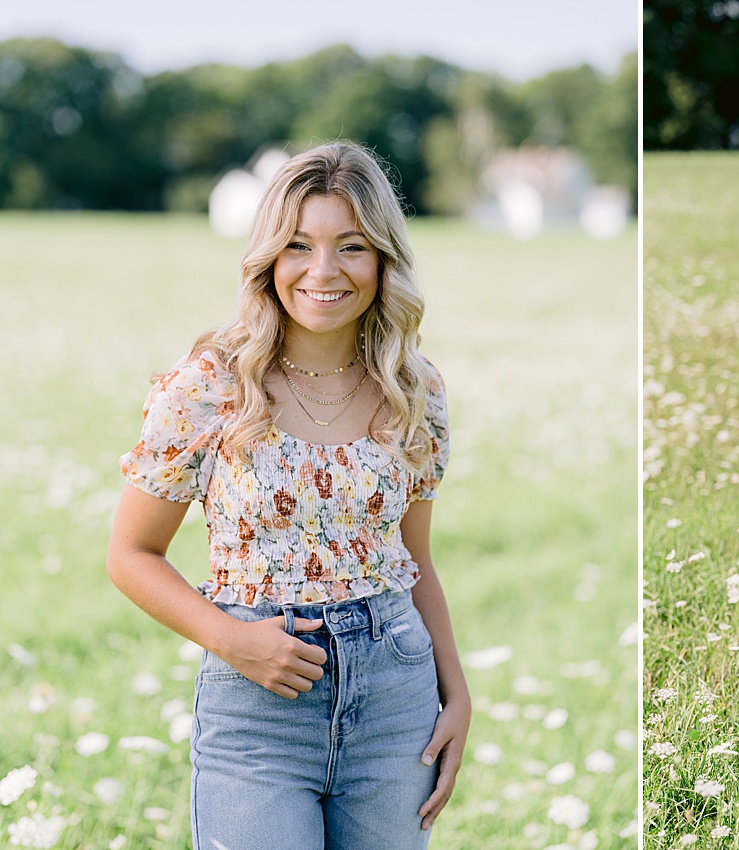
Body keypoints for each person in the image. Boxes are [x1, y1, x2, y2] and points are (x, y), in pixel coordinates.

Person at [106, 141, 469, 849]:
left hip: (395, 699)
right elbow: (131, 553)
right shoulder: (211, 385)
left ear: (384, 260)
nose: (323, 271)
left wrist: (456, 694)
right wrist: (231, 640)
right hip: (258, 709)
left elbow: (415, 558)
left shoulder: (414, 390)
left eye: (352, 246)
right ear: (269, 255)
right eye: (299, 244)